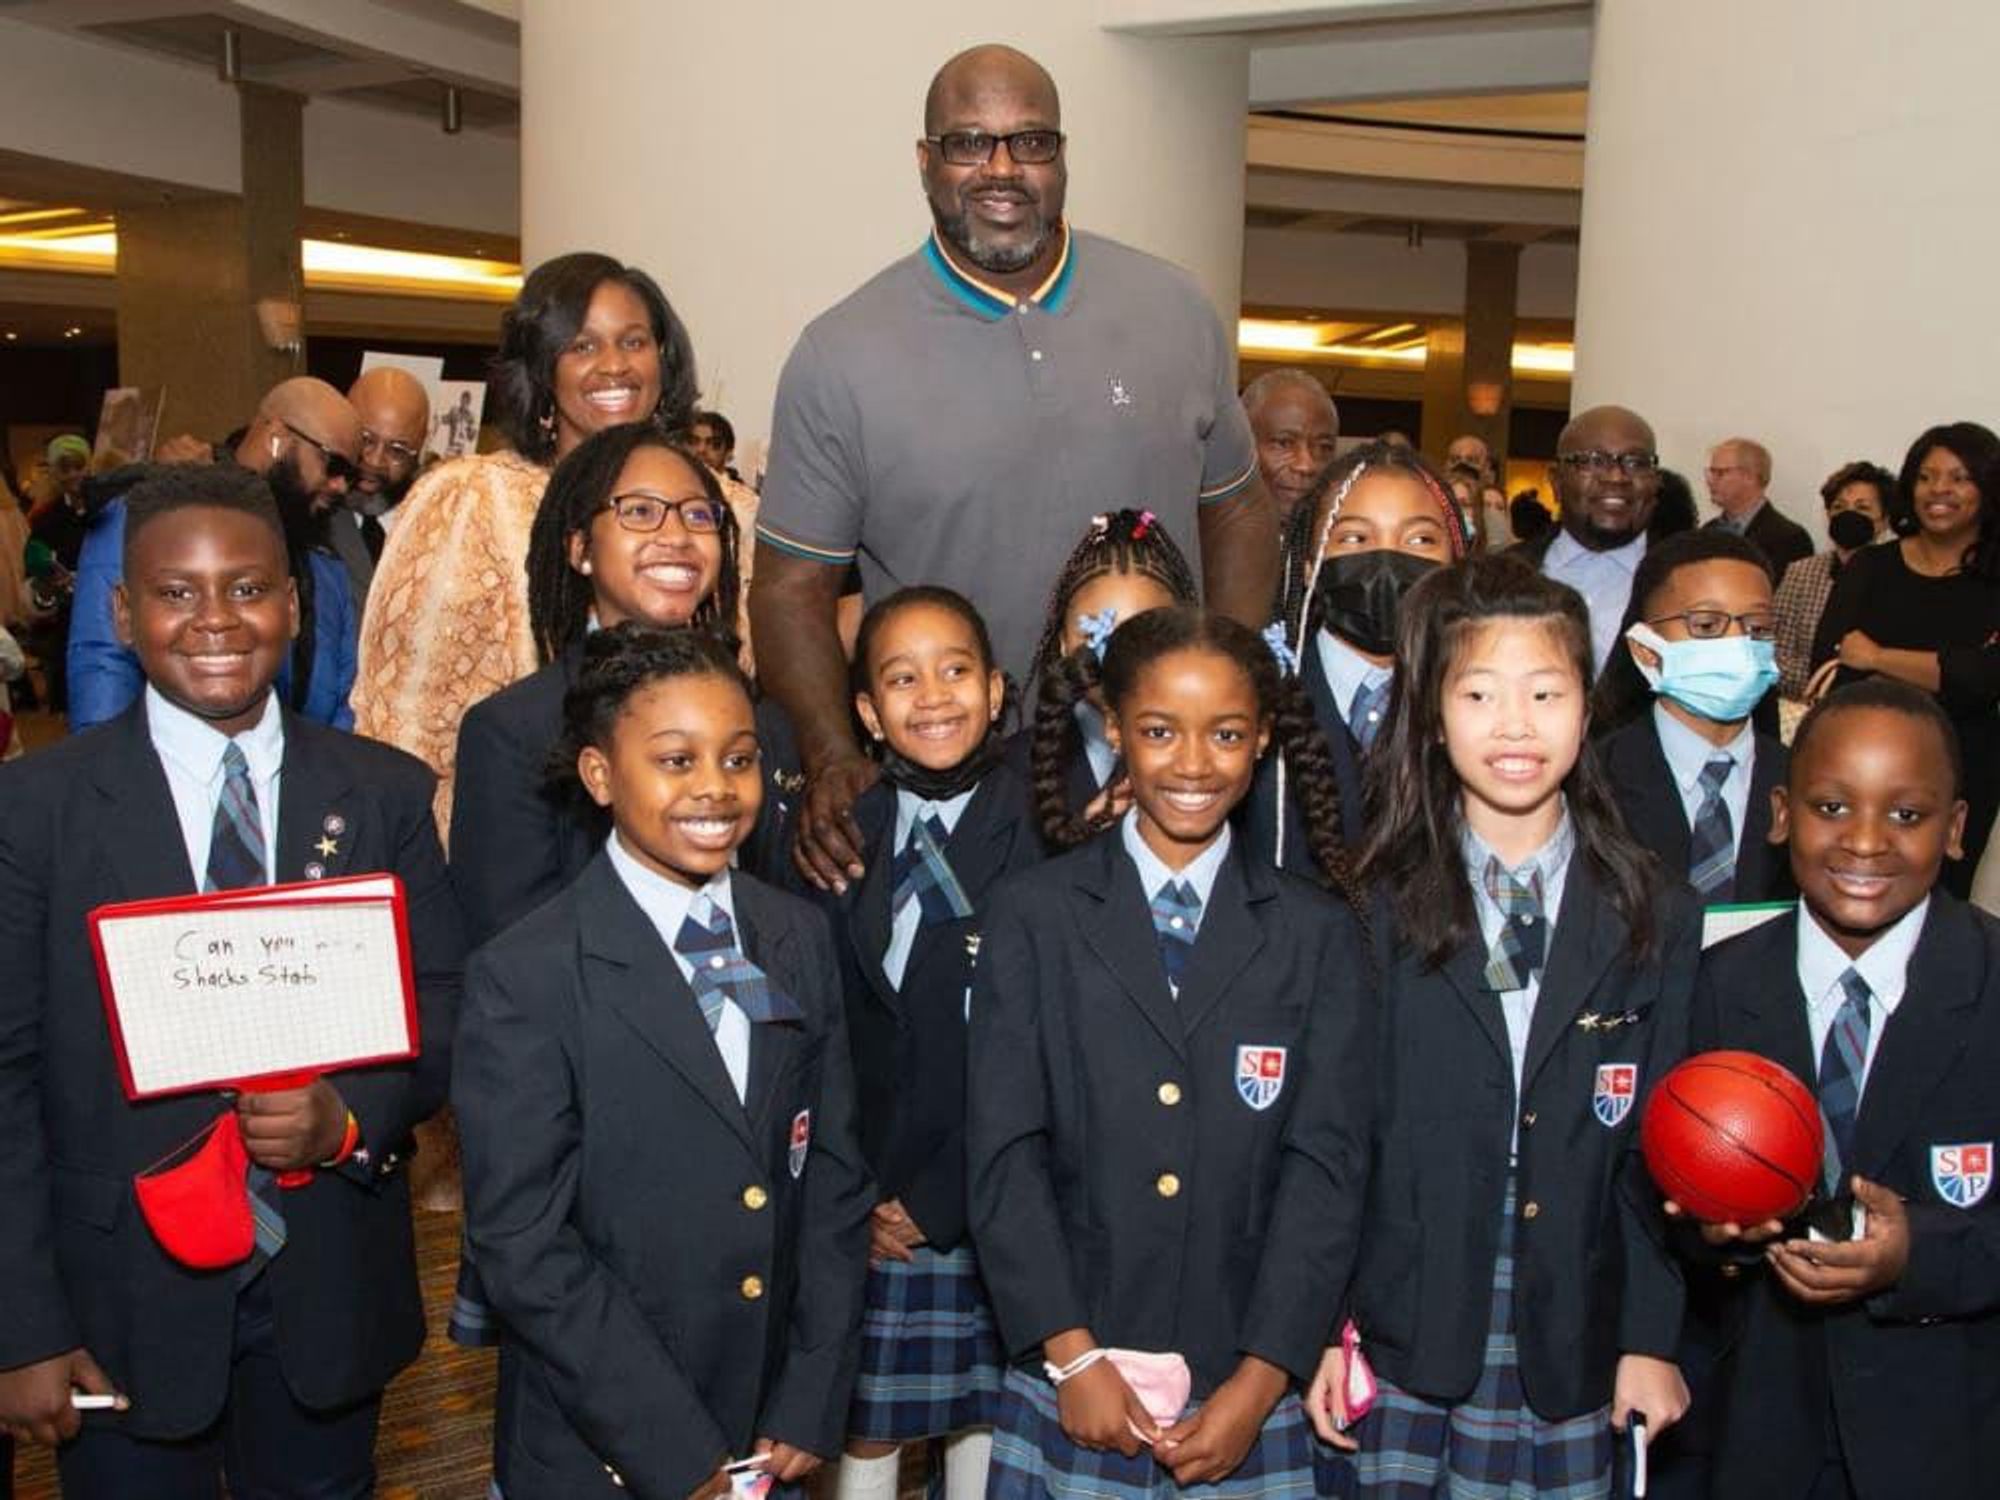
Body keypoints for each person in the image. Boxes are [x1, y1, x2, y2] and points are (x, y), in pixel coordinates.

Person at [0, 465, 464, 1497]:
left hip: (328, 1283)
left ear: (292, 605)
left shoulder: (382, 793)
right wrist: (21, 1326)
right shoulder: (34, 813)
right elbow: (7, 1073)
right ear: (123, 614)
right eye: (176, 592)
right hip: (117, 1300)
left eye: (248, 588)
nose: (215, 618)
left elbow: (446, 1006)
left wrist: (347, 1116)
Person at [753, 43, 1277, 894]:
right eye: (968, 144)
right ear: (925, 161)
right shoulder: (840, 354)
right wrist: (832, 755)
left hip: (1162, 781)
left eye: (1030, 142)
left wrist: (1225, 687)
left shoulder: (1175, 309)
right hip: (953, 794)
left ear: (1061, 157)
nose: (1001, 169)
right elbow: (787, 589)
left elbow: (1240, 510)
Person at [452, 624, 872, 1498]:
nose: (715, 787)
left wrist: (811, 1388)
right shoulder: (528, 975)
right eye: (676, 761)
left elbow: (831, 1173)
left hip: (769, 1424)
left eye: (739, 758)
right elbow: (524, 1245)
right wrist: (677, 1450)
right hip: (610, 1441)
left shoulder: (794, 936)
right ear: (600, 775)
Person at [1309, 554, 1696, 1495]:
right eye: (1479, 694)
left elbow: (1661, 1151)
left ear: (1588, 709)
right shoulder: (1366, 905)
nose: (1515, 724)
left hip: (1577, 1321)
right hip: (1405, 1312)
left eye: (1545, 693)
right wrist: (1318, 1324)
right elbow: (1334, 1138)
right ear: (1434, 716)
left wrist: (1650, 1338)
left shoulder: (1653, 909)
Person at [968, 606, 1371, 1500]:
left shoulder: (1316, 934)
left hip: (1241, 1375)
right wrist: (1071, 1355)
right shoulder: (1034, 916)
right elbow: (1003, 1155)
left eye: (1225, 734)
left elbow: (1327, 1172)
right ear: (1114, 730)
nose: (1193, 764)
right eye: (1159, 731)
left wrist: (1262, 1378)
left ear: (1262, 739)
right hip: (1077, 1370)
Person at [1676, 680, 1997, 1500]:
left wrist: (1917, 1253)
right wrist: (1712, 1231)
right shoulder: (1716, 986)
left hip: (1954, 1434)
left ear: (1956, 828)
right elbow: (1654, 1212)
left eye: (1906, 814)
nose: (1864, 840)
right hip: (1756, 1432)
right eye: (1831, 807)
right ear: (1782, 814)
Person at [352, 251, 700, 833]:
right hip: (510, 847)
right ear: (541, 369)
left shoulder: (717, 512)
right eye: (582, 346)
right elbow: (406, 724)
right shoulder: (469, 500)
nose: (615, 365)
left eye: (634, 341)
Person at [827, 588, 1044, 1500]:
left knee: (984, 1421)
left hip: (989, 1191)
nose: (934, 696)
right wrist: (856, 1192)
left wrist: (939, 1200)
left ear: (995, 690)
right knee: (863, 1421)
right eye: (903, 679)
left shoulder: (1045, 832)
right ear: (869, 712)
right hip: (864, 1196)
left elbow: (1043, 1053)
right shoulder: (838, 830)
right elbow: (822, 1028)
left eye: (955, 670)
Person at [450, 423, 740, 947]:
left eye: (698, 515)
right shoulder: (514, 732)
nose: (677, 536)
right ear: (580, 548)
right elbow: (514, 951)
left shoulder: (762, 720)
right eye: (640, 511)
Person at [66, 376, 364, 732]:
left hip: (301, 761)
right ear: (277, 436)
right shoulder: (153, 512)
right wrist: (112, 764)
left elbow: (344, 692)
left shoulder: (319, 548)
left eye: (351, 474)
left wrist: (326, 762)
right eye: (334, 464)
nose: (341, 486)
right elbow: (103, 663)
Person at [1252, 441, 1471, 858]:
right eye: (1354, 538)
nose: (1387, 561)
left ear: (1455, 561)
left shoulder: (1484, 705)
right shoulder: (1254, 696)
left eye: (1420, 539)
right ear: (1309, 566)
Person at [1812, 422, 2000, 898]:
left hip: (1966, 772)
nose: (1939, 490)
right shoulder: (1871, 566)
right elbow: (1831, 665)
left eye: (1959, 478)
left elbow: (1981, 680)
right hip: (1863, 769)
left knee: (1947, 906)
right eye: (1925, 477)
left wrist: (1877, 656)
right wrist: (1941, 670)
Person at [1595, 530, 1791, 904]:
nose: (1738, 643)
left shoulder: (1804, 780)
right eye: (1706, 625)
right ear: (1646, 649)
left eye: (1758, 627)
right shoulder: (1593, 783)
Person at [1021, 508, 1200, 847]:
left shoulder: (1217, 762)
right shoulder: (1012, 774)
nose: (1116, 655)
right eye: (1095, 633)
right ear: (1063, 644)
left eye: (1145, 633)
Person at [1517, 404, 1663, 676]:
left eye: (1635, 463)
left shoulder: (1683, 577)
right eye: (1594, 461)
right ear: (1556, 480)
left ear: (1655, 481)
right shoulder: (1503, 573)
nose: (1616, 477)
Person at [1771, 460, 1892, 699]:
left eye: (1862, 508)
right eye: (1839, 507)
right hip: (1804, 702)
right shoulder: (1800, 572)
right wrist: (1821, 686)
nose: (1849, 515)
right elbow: (1774, 648)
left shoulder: (1897, 576)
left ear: (1885, 520)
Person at [327, 367, 431, 611]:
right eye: (365, 439)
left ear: (421, 446)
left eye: (397, 450)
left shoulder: (436, 528)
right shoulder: (308, 514)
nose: (374, 461)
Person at [1702, 437, 1814, 579]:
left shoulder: (1790, 539)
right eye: (1711, 472)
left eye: (1720, 473)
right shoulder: (1707, 531)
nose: (1710, 480)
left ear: (1750, 476)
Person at [1242, 369, 1339, 524]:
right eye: (1284, 443)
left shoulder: (1346, 536)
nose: (1306, 466)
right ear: (1241, 447)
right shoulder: (1205, 535)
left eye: (1323, 447)